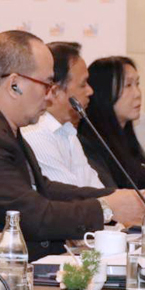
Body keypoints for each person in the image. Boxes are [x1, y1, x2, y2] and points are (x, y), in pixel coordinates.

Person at [0, 31, 145, 256]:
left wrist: (115, 197)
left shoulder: (4, 126)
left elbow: (44, 188)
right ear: (14, 85)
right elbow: (28, 214)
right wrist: (106, 208)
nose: (50, 97)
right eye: (46, 84)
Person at [21, 42, 105, 189]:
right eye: (83, 84)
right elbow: (71, 197)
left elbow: (94, 187)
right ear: (55, 91)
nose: (90, 91)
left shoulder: (67, 130)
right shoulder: (36, 133)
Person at [79, 56, 145, 190]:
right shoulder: (89, 144)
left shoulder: (126, 138)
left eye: (137, 84)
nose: (137, 93)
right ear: (104, 91)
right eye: (128, 85)